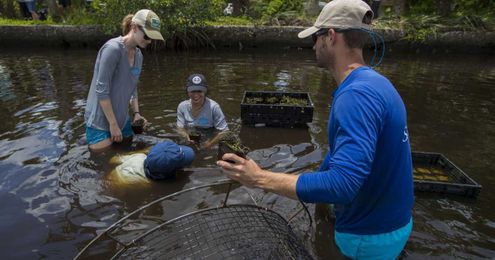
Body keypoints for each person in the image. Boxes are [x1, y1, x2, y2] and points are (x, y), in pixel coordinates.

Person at [217, 0, 414, 259]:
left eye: (316, 37)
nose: (313, 45)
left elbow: (343, 185)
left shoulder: (355, 96)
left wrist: (258, 178)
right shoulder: (376, 83)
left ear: (331, 37)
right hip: (394, 223)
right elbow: (347, 154)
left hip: (367, 238)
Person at [84, 9, 164, 152]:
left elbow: (132, 86)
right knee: (103, 161)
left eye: (152, 38)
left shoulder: (139, 55)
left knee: (130, 155)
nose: (149, 41)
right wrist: (113, 125)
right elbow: (101, 90)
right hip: (100, 122)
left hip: (122, 119)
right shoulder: (112, 49)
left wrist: (137, 113)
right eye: (146, 36)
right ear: (134, 27)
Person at [176, 73, 229, 149]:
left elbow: (225, 131)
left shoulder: (213, 107)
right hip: (191, 133)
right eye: (192, 91)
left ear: (205, 91)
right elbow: (180, 128)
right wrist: (187, 137)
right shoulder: (182, 106)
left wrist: (210, 144)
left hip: (209, 134)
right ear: (188, 91)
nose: (196, 95)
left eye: (199, 91)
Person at [109, 141, 195, 185]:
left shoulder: (139, 156)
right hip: (119, 182)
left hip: (117, 173)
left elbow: (113, 159)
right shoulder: (145, 183)